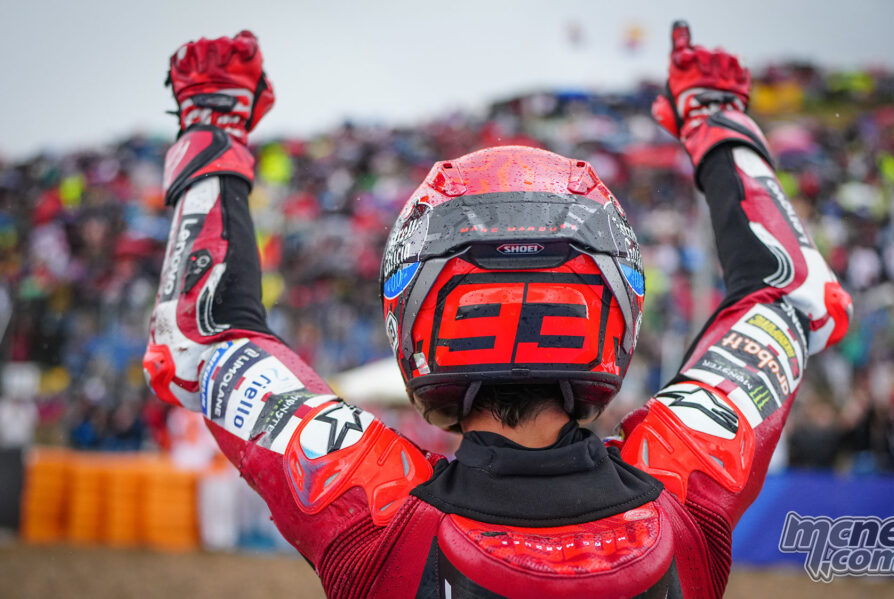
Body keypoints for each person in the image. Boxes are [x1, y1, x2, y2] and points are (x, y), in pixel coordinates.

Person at [143, 22, 850, 598]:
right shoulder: (682, 491)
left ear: (423, 315)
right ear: (608, 311)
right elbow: (787, 292)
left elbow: (205, 335)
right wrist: (718, 122)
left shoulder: (379, 512)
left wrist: (213, 128)